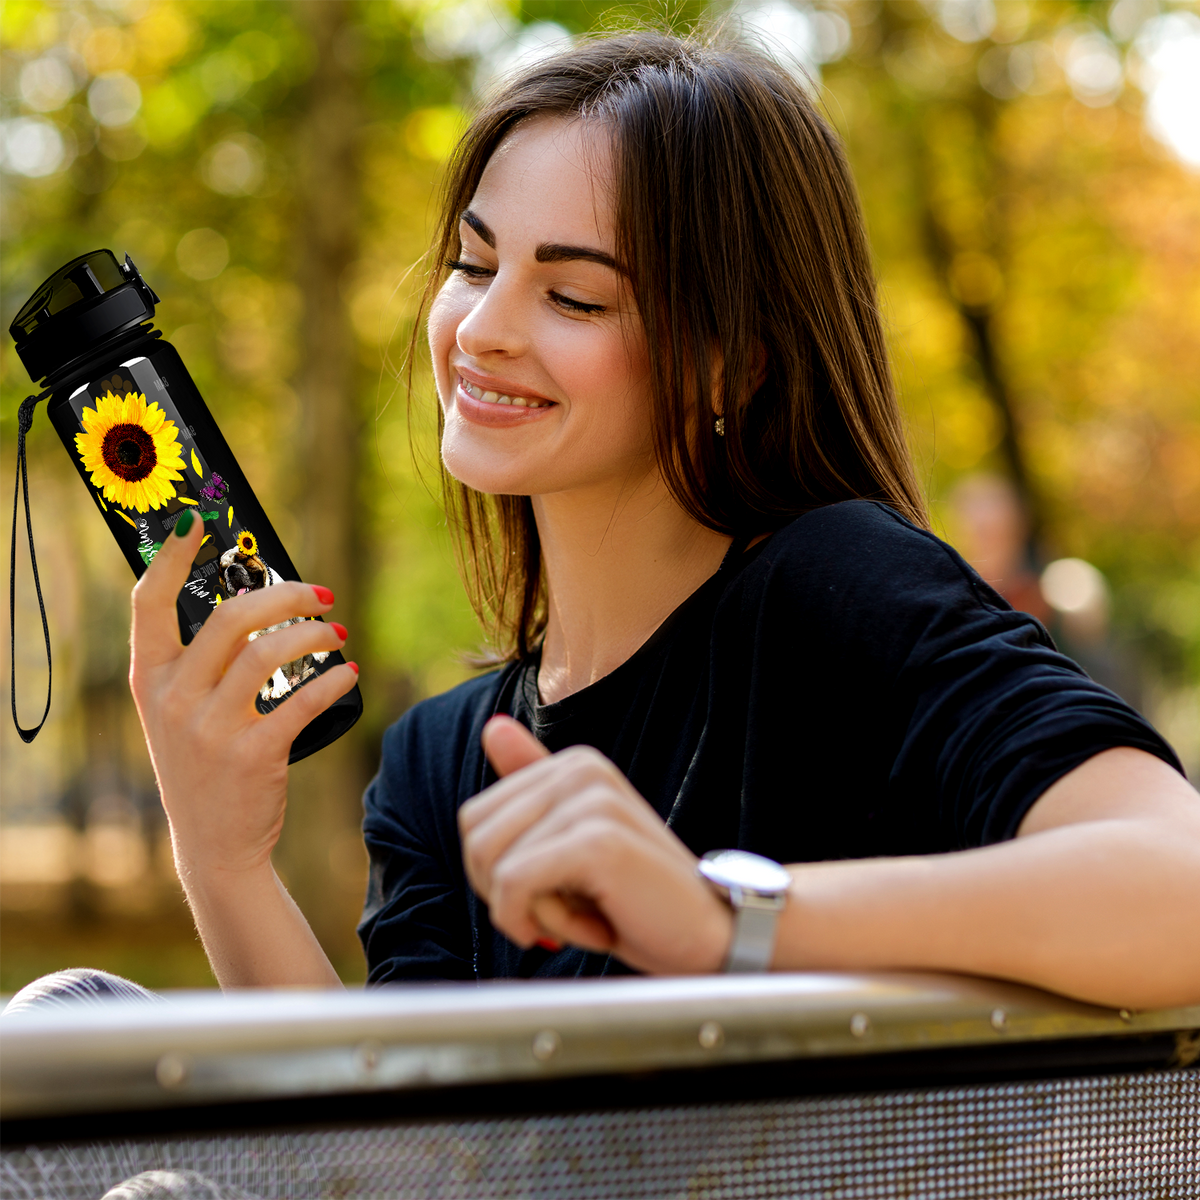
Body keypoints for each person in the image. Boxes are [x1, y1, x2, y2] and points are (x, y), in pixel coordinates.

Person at [129, 31, 1200, 1010]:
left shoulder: (835, 592)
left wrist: (724, 919)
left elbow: (1178, 889)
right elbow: (402, 1160)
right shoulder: (439, 763)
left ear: (732, 360)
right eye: (473, 264)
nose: (481, 329)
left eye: (575, 297)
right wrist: (222, 863)